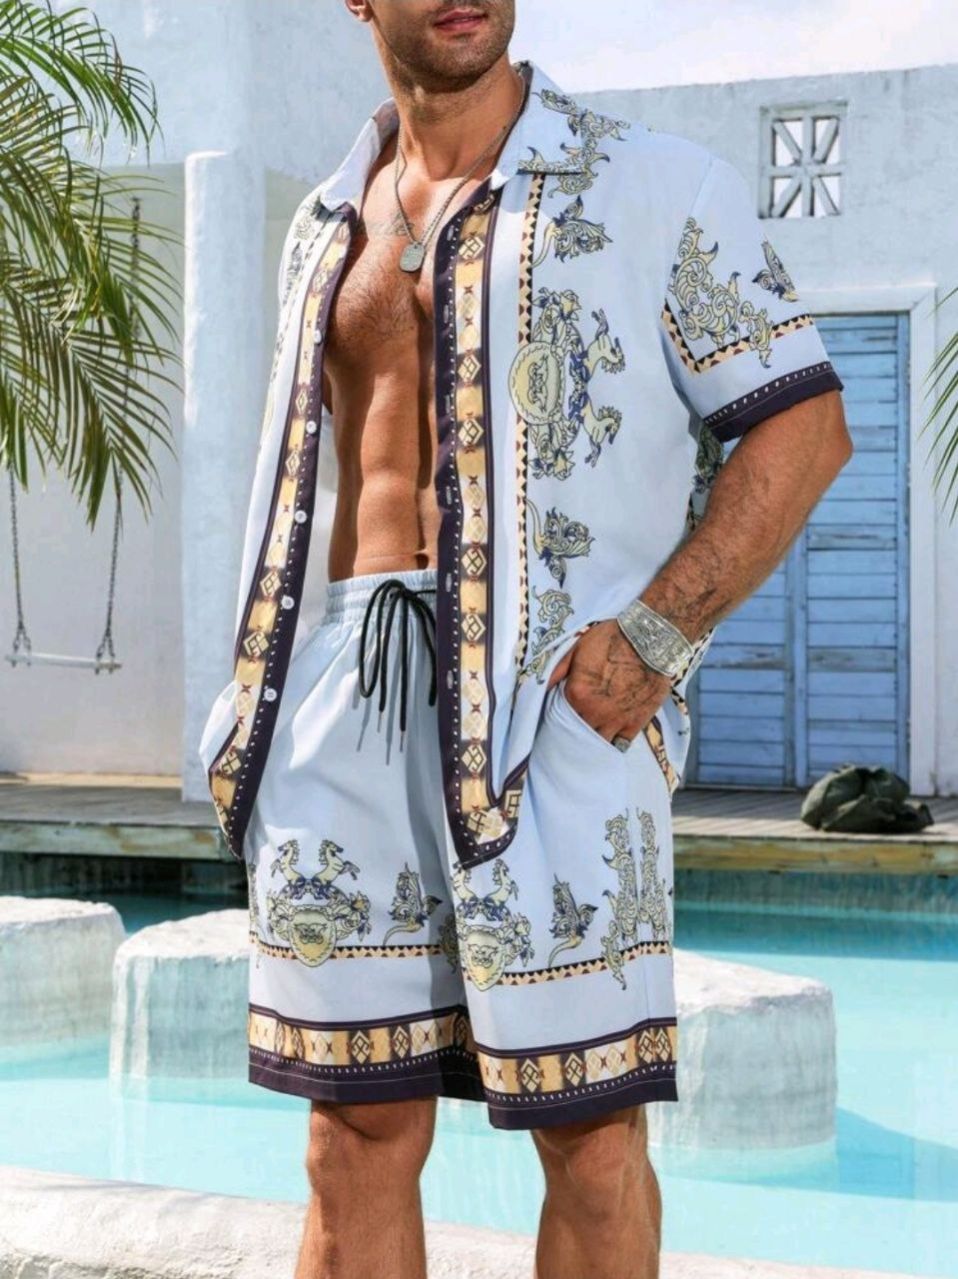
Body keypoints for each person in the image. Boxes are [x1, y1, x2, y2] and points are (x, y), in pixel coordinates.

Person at [198, 3, 852, 1276]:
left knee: (591, 1137)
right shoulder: (324, 222)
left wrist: (657, 634)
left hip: (555, 702)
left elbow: (804, 427)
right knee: (351, 1134)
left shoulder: (654, 186)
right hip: (341, 694)